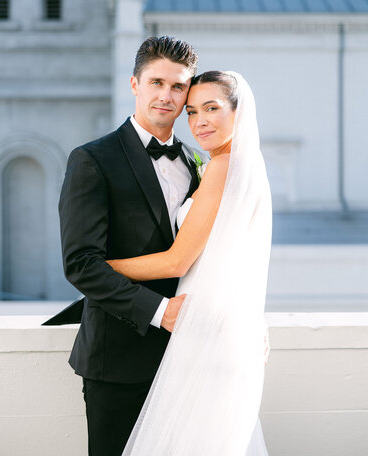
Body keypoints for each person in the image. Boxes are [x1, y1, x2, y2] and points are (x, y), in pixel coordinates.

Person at [43, 36, 207, 455]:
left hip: (185, 361)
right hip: (117, 362)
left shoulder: (197, 162)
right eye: (156, 82)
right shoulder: (92, 159)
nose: (166, 96)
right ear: (134, 84)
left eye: (177, 87)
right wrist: (160, 311)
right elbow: (80, 263)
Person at [106, 70, 272, 455]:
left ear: (238, 112)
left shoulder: (223, 167)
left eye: (212, 108)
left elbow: (178, 261)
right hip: (221, 327)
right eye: (192, 111)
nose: (199, 122)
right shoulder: (246, 167)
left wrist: (102, 267)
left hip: (205, 331)